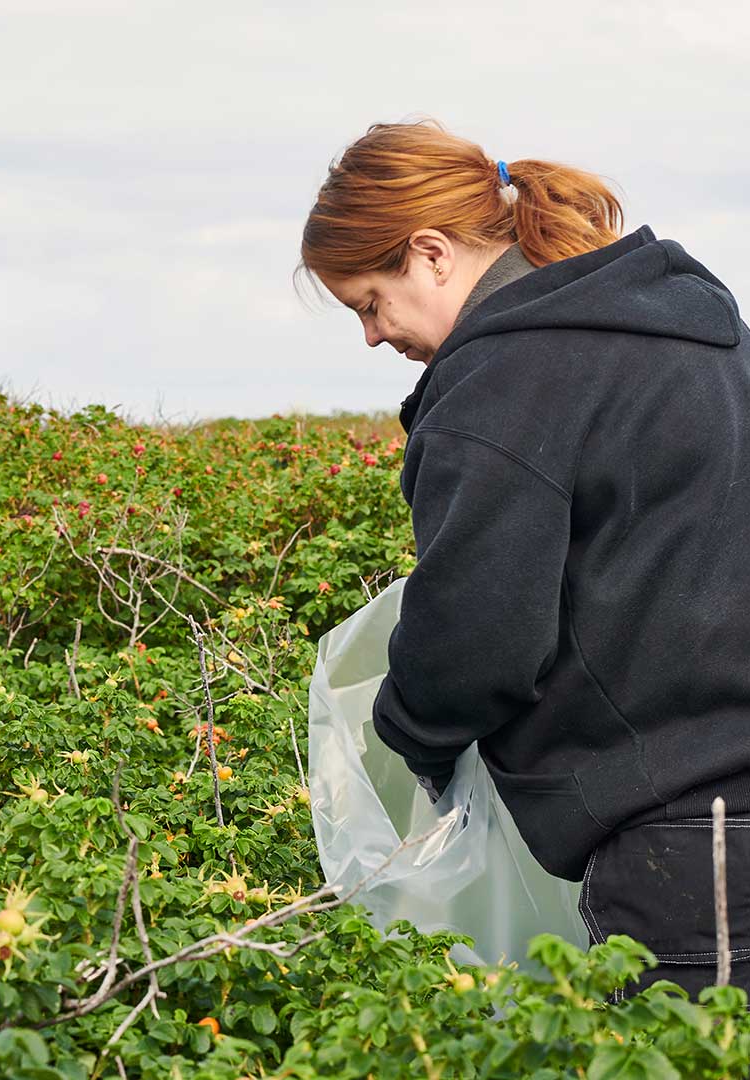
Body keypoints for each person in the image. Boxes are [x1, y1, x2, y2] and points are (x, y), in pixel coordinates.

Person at [298, 118, 750, 1003]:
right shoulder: (698, 335)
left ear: (430, 253)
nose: (370, 336)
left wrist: (409, 744)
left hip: (689, 838)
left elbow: (479, 631)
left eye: (366, 302)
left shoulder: (505, 380)